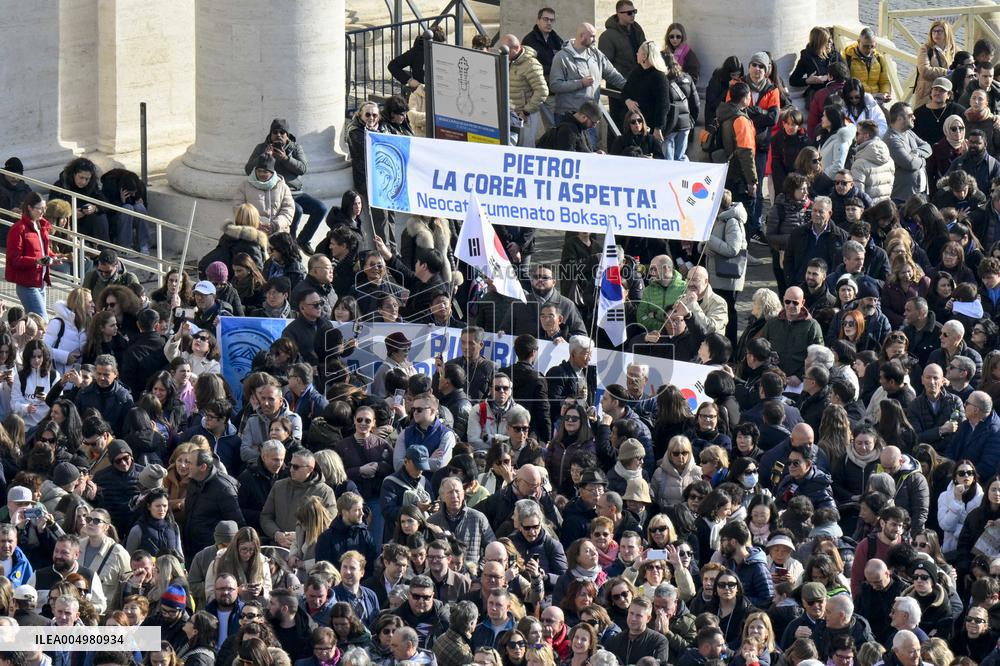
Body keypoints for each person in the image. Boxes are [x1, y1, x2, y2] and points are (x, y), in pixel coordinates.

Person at [244, 118, 326, 253]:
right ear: (270, 135)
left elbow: (303, 168)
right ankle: (291, 244)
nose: (278, 135)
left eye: (282, 132)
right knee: (297, 210)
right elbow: (248, 170)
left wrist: (286, 159)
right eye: (275, 132)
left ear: (287, 135)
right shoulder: (261, 148)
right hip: (277, 193)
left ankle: (303, 240)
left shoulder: (295, 147)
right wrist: (264, 157)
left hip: (296, 192)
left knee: (321, 208)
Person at [549, 22, 625, 137]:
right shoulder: (561, 57)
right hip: (568, 116)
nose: (595, 39)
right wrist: (580, 83)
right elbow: (555, 85)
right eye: (592, 36)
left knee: (590, 151)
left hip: (590, 117)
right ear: (581, 36)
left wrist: (630, 88)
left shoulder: (596, 54)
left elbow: (613, 75)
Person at [5, 193, 63, 317]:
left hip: (39, 282)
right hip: (27, 285)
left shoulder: (40, 225)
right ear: (30, 208)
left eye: (45, 208)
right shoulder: (18, 229)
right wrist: (37, 261)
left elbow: (42, 249)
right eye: (40, 208)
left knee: (37, 324)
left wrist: (53, 257)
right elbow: (15, 260)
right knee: (42, 322)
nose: (43, 211)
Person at [885, 103, 933, 202]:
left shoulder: (909, 133)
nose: (914, 117)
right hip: (902, 198)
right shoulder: (891, 139)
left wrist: (916, 153)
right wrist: (924, 161)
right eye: (910, 115)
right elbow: (910, 164)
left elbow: (928, 147)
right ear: (899, 118)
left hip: (920, 194)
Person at [915, 21, 957, 109]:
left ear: (946, 33)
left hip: (946, 93)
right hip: (927, 93)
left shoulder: (954, 50)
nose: (936, 34)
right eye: (934, 31)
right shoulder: (926, 49)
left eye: (939, 31)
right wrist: (947, 72)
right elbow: (925, 71)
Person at [843, 28, 892, 104]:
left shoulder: (879, 58)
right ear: (858, 42)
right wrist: (873, 96)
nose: (869, 50)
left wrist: (885, 93)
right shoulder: (847, 57)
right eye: (865, 46)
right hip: (856, 101)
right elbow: (845, 85)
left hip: (876, 102)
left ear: (875, 44)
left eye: (872, 46)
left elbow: (884, 81)